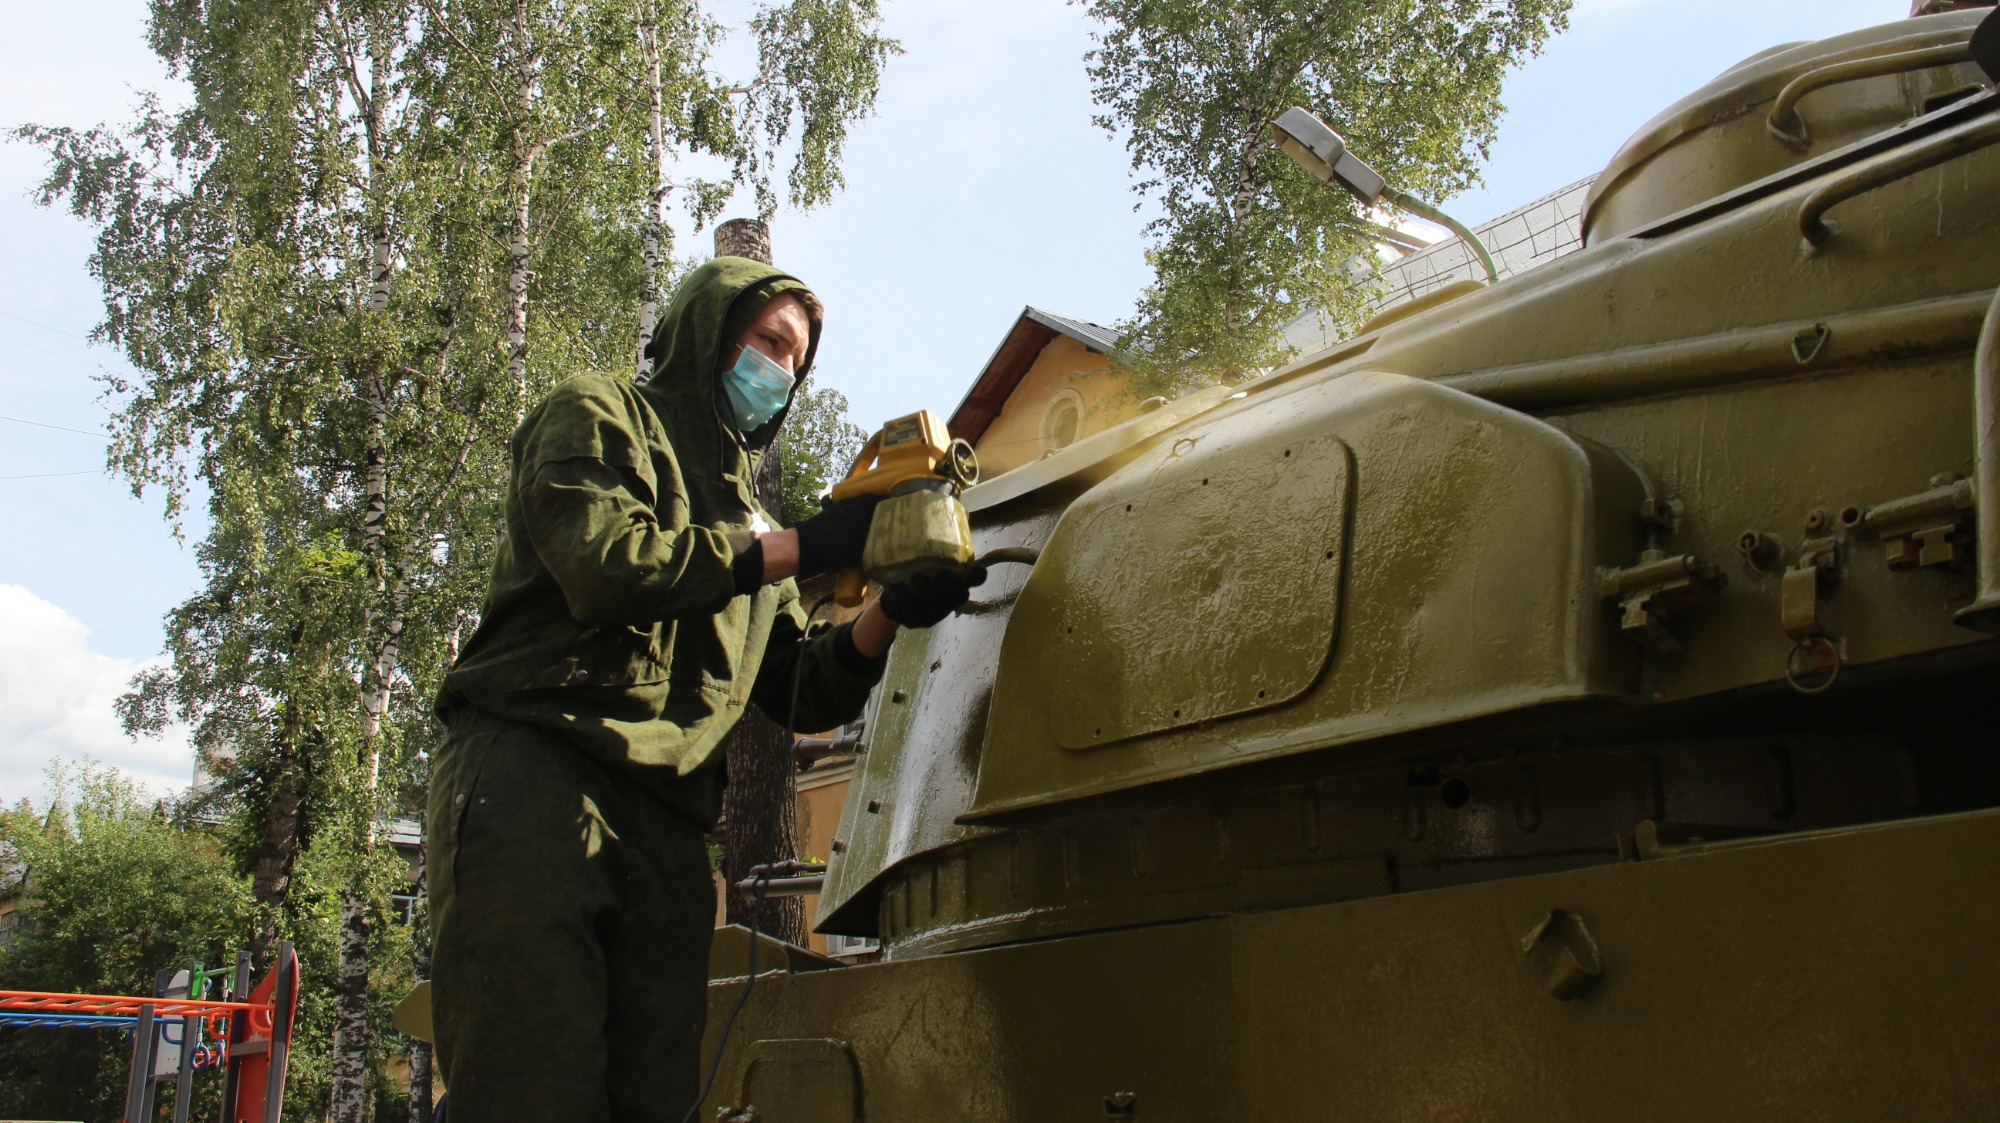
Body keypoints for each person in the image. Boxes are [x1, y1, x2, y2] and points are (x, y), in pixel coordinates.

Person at [426, 256, 978, 1122]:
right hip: (538, 779)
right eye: (770, 342)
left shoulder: (752, 520)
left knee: (655, 1101)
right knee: (527, 1091)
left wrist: (891, 613)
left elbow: (801, 686)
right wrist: (805, 546)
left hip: (671, 829)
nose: (782, 373)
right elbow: (607, 564)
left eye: (798, 362)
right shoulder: (599, 413)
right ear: (707, 331)